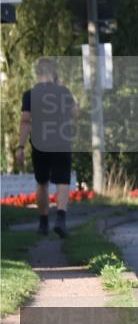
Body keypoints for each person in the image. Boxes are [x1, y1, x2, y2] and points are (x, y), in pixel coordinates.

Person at [16, 58, 77, 238]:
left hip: (40, 143)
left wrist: (20, 147)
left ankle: (43, 223)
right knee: (62, 182)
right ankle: (61, 219)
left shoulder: (29, 94)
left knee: (42, 182)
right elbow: (76, 114)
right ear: (54, 72)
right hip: (61, 142)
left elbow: (25, 121)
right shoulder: (63, 91)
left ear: (37, 72)